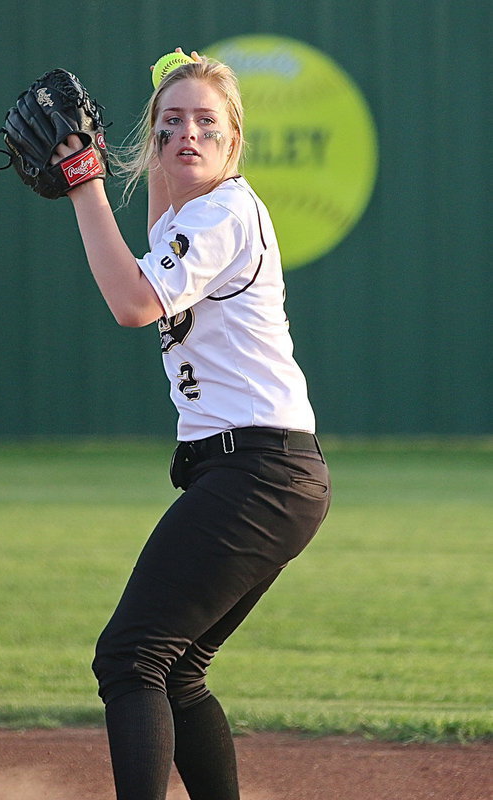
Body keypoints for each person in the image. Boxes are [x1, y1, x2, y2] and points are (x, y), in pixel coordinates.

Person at [53, 48, 331, 800]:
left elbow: (132, 303)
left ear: (234, 141)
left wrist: (84, 184)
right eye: (171, 123)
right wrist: (144, 143)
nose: (188, 134)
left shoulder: (223, 211)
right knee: (174, 670)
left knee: (131, 657)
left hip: (257, 473)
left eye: (207, 122)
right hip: (263, 472)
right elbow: (152, 244)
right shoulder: (197, 214)